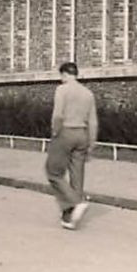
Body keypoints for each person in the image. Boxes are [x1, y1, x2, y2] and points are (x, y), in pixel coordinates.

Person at [45, 62, 96, 230]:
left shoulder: (62, 90)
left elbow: (58, 114)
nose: (61, 79)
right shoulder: (88, 93)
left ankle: (77, 203)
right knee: (77, 176)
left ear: (65, 74)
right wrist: (91, 143)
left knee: (53, 172)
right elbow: (93, 121)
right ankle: (70, 218)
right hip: (82, 134)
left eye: (61, 76)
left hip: (66, 131)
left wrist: (55, 132)